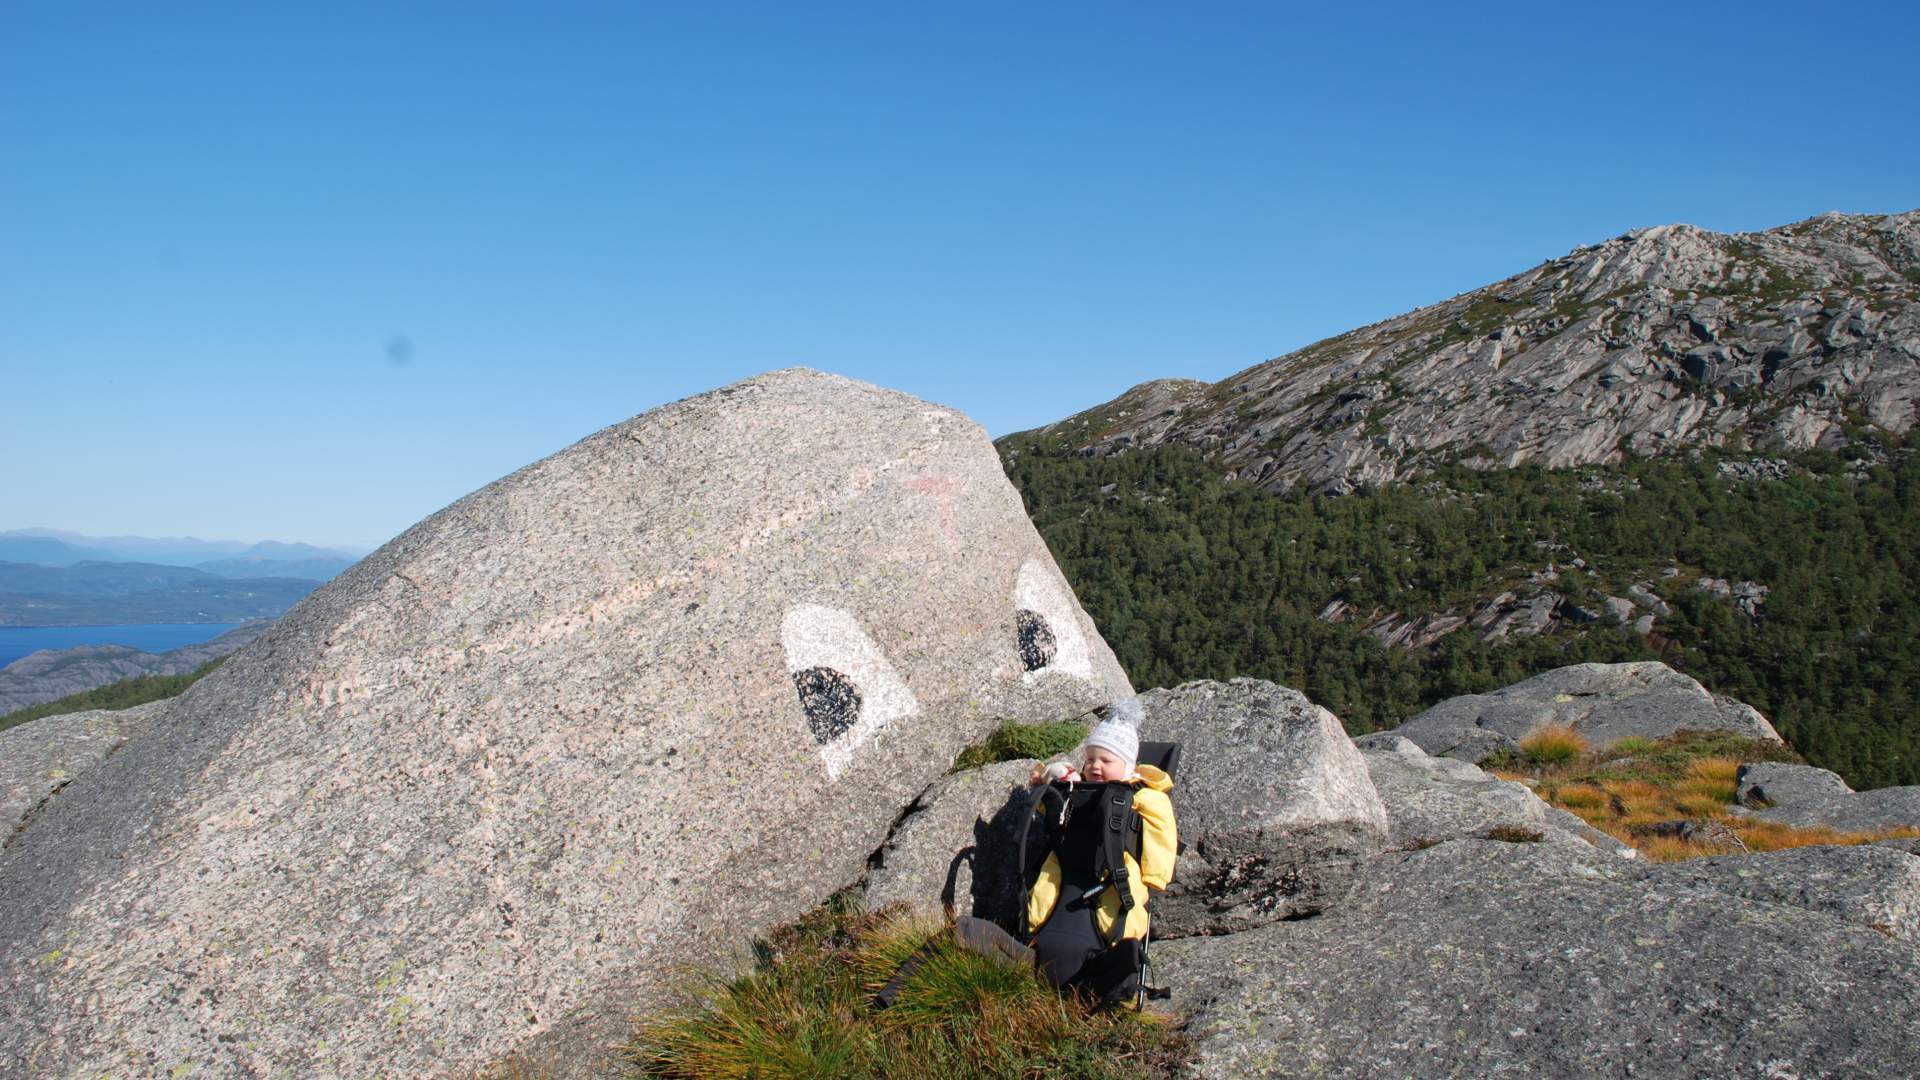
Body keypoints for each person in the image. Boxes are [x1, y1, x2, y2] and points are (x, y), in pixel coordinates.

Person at [1021, 698, 1177, 998]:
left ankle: (1119, 951)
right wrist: (1044, 785)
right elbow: (1051, 809)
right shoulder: (1077, 785)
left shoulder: (1144, 796)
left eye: (1106, 761)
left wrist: (1156, 876)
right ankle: (1032, 929)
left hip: (1119, 866)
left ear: (1128, 764)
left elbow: (1162, 831)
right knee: (1044, 890)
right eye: (1091, 759)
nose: (1095, 766)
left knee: (1120, 907)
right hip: (1068, 864)